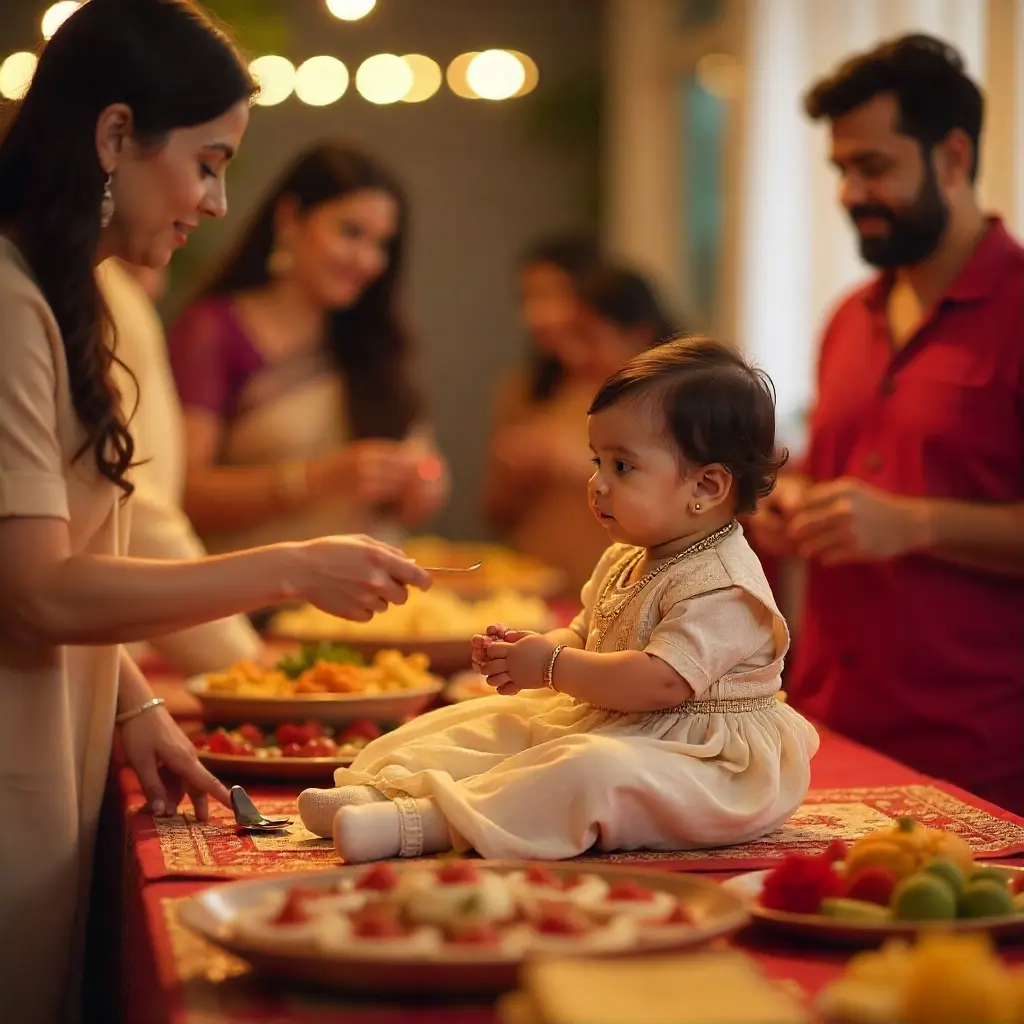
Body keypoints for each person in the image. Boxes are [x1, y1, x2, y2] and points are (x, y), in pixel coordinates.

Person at [0, 3, 428, 1019]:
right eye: (206, 163)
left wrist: (132, 702)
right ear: (115, 135)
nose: (216, 199)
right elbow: (35, 592)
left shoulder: (63, 294)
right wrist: (292, 565)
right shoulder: (11, 301)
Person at [299, 337, 819, 862]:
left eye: (622, 467)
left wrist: (551, 665)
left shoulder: (725, 586)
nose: (597, 483)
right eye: (597, 461)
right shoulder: (628, 556)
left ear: (706, 487)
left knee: (588, 772)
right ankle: (386, 789)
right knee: (491, 723)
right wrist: (534, 649)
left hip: (702, 764)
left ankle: (425, 823)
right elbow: (585, 634)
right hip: (619, 724)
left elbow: (660, 681)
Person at [748, 34, 1024, 812]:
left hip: (980, 757)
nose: (849, 193)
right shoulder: (849, 317)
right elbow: (844, 482)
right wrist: (789, 507)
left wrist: (914, 524)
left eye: (873, 167)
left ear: (953, 157)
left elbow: (895, 512)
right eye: (841, 169)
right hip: (828, 731)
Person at [167, 142, 449, 554]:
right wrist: (317, 481)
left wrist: (422, 480)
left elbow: (422, 464)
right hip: (252, 586)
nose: (367, 260)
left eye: (382, 244)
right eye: (351, 232)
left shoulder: (373, 342)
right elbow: (181, 491)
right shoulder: (213, 331)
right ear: (290, 219)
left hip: (373, 581)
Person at [101, 257, 263, 673]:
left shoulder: (117, 292)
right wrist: (246, 665)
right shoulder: (101, 294)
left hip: (130, 636)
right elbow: (128, 498)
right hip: (120, 626)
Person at [485, 257, 677, 592]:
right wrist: (515, 475)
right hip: (544, 591)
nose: (572, 354)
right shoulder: (553, 396)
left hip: (632, 597)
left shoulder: (678, 411)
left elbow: (680, 511)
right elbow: (496, 512)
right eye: (568, 337)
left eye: (588, 338)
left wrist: (570, 462)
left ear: (639, 335)